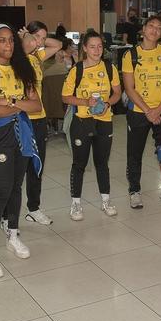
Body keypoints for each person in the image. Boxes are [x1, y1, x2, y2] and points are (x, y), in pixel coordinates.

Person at [0, 23, 43, 279]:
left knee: (17, 187)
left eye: (11, 40)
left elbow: (36, 105)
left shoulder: (22, 66)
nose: (8, 45)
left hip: (22, 132)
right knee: (2, 191)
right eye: (2, 41)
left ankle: (13, 234)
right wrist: (19, 106)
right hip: (0, 136)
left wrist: (10, 102)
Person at [2, 20, 64, 228]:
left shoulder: (37, 57)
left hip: (39, 119)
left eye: (43, 38)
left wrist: (41, 38)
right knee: (15, 172)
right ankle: (5, 216)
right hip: (21, 119)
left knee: (36, 167)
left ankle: (34, 208)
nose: (40, 42)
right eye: (37, 37)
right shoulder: (14, 59)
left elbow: (57, 46)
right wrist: (23, 39)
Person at [121, 15, 161, 209]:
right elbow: (129, 88)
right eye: (151, 26)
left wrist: (159, 109)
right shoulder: (130, 55)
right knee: (134, 153)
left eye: (159, 28)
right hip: (139, 111)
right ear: (143, 29)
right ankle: (134, 191)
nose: (155, 30)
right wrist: (148, 110)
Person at [62, 31, 122, 221]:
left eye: (100, 46)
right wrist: (84, 102)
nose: (97, 50)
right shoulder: (76, 70)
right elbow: (65, 97)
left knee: (102, 163)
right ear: (85, 48)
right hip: (81, 122)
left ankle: (106, 201)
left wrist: (107, 103)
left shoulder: (110, 68)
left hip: (104, 121)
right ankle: (76, 204)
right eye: (92, 46)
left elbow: (117, 93)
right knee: (79, 164)